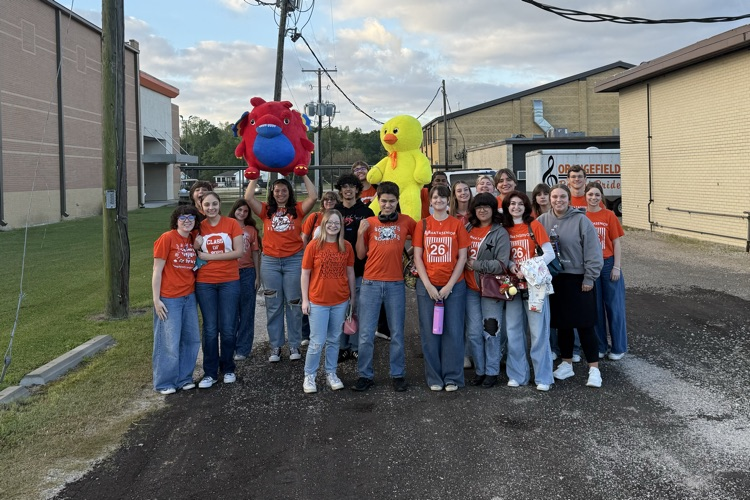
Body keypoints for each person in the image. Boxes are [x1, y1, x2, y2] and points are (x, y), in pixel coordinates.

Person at [245, 175, 318, 363]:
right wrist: (254, 175)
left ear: (289, 192)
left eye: (284, 190)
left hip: (294, 260)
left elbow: (313, 196)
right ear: (272, 192)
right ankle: (276, 346)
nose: (280, 194)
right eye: (277, 190)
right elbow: (248, 198)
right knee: (273, 304)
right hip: (270, 261)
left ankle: (294, 344)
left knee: (294, 303)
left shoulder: (298, 210)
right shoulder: (266, 211)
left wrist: (303, 174)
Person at [538, 184, 604, 388]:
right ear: (550, 199)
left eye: (563, 197)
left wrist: (589, 278)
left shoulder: (581, 220)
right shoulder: (542, 221)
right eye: (555, 196)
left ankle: (594, 369)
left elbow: (593, 251)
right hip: (555, 279)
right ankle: (566, 363)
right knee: (563, 325)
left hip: (578, 279)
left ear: (569, 199)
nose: (558, 200)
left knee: (585, 325)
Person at [353, 181, 416, 392]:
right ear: (377, 201)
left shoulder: (407, 221)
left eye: (391, 201)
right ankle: (365, 374)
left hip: (395, 284)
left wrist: (412, 259)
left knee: (397, 332)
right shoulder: (369, 222)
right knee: (366, 333)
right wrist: (361, 233)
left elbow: (420, 241)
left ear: (397, 201)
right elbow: (360, 255)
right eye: (383, 201)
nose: (387, 205)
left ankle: (397, 374)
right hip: (370, 283)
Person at [413, 185, 469, 391]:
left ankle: (453, 377)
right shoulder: (423, 225)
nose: (438, 200)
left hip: (454, 286)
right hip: (428, 285)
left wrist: (449, 286)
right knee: (430, 333)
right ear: (430, 201)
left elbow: (462, 257)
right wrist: (427, 284)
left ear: (449, 200)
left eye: (442, 197)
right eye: (435, 197)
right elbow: (418, 256)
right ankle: (434, 377)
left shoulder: (457, 225)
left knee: (453, 332)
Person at [502, 191, 556, 392]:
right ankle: (517, 375)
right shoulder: (504, 229)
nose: (516, 207)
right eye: (512, 204)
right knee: (513, 331)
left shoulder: (534, 225)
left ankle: (543, 377)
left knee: (538, 333)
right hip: (512, 287)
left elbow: (549, 253)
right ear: (507, 207)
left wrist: (528, 268)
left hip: (535, 287)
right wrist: (512, 266)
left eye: (520, 204)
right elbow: (504, 256)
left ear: (526, 206)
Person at [301, 210, 356, 393]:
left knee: (334, 339)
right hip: (318, 300)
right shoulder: (314, 246)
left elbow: (350, 273)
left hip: (339, 300)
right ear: (324, 224)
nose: (333, 226)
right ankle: (310, 375)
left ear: (341, 226)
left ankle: (331, 372)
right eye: (330, 222)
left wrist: (352, 297)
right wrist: (305, 300)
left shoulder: (346, 246)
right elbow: (305, 273)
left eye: (337, 223)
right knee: (317, 341)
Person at [194, 191, 244, 389]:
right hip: (205, 283)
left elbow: (238, 252)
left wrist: (209, 257)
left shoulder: (231, 224)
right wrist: (195, 244)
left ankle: (229, 368)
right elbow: (192, 252)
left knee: (229, 327)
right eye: (207, 205)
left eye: (214, 204)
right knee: (210, 328)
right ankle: (210, 372)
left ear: (220, 204)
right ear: (201, 207)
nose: (211, 208)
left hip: (229, 281)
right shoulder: (198, 227)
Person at [151, 205, 202, 395]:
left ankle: (184, 378)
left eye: (191, 217)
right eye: (182, 217)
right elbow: (157, 270)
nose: (187, 220)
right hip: (170, 297)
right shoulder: (167, 238)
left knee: (191, 339)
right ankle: (165, 382)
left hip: (189, 296)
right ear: (176, 220)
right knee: (168, 341)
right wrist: (156, 299)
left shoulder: (192, 240)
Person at [463, 193, 509, 388]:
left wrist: (477, 264)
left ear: (492, 209)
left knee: (491, 331)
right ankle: (480, 371)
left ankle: (492, 371)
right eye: (478, 207)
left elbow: (502, 264)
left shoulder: (500, 233)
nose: (482, 210)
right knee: (473, 333)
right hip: (469, 289)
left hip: (491, 290)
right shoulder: (467, 228)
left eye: (486, 207)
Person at [334, 173, 375, 362]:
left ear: (358, 190)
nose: (348, 190)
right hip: (338, 270)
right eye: (345, 187)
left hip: (360, 268)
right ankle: (342, 346)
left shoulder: (366, 212)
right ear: (340, 190)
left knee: (357, 308)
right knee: (340, 309)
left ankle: (356, 346)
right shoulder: (334, 212)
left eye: (352, 186)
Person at [584, 182, 627, 360]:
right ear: (585, 196)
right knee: (595, 309)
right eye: (590, 194)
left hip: (608, 264)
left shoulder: (609, 215)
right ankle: (600, 346)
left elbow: (616, 242)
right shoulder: (582, 216)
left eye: (597, 195)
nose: (594, 198)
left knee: (614, 307)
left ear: (601, 197)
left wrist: (617, 266)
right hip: (591, 266)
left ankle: (619, 347)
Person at [228, 198, 261, 361]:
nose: (242, 213)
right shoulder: (226, 226)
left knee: (247, 311)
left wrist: (257, 275)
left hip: (247, 272)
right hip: (229, 273)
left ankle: (243, 348)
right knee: (230, 312)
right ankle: (230, 346)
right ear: (234, 210)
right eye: (239, 210)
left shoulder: (251, 230)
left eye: (245, 211)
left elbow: (255, 253)